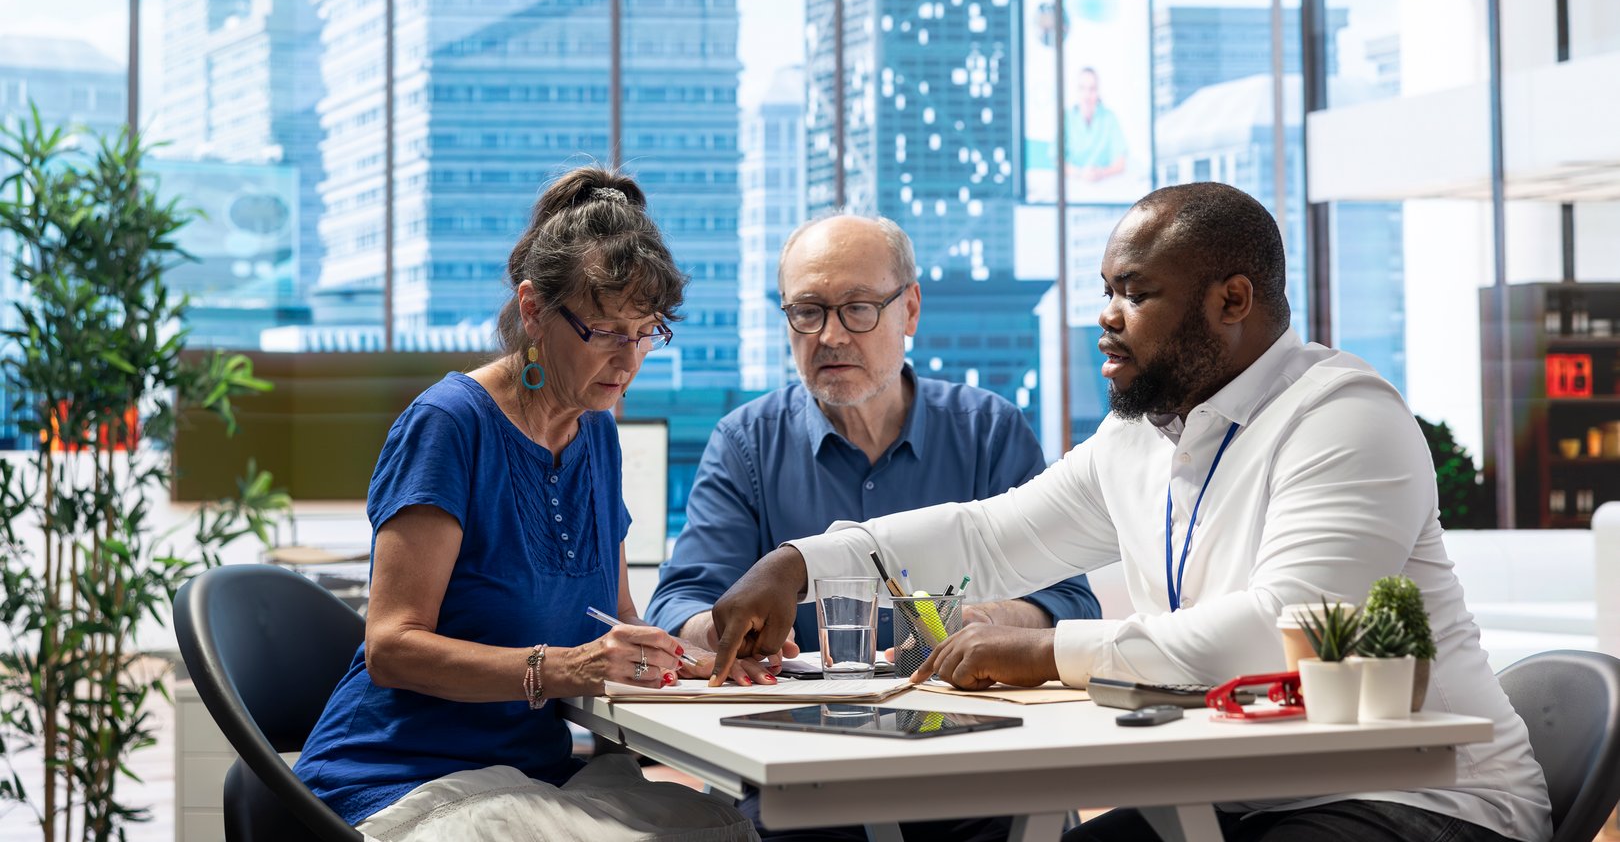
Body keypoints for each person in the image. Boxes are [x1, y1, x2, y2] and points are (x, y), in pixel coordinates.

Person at [707, 183, 1552, 842]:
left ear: (1231, 300)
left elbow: (1277, 630)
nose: (1104, 320)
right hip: (1244, 791)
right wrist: (800, 565)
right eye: (1106, 291)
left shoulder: (1344, 416)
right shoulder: (1143, 435)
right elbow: (987, 537)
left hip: (1422, 797)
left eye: (1134, 293)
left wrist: (1045, 651)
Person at [293, 167, 758, 842]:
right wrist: (563, 668)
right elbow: (392, 647)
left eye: (645, 331)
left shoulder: (595, 430)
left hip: (530, 770)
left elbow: (618, 618)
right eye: (602, 330)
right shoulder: (450, 425)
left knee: (722, 830)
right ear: (534, 309)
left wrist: (700, 653)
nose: (627, 360)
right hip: (399, 774)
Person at [646, 213, 1099, 842]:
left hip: (977, 773)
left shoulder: (988, 431)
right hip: (797, 781)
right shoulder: (746, 444)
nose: (829, 336)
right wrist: (724, 633)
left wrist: (994, 623)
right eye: (806, 311)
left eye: (857, 308)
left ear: (909, 310)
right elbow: (676, 604)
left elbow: (1070, 601)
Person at [1064, 66, 1127, 184]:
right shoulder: (1066, 118)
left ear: (1098, 91)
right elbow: (1058, 161)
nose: (1087, 94)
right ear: (1077, 90)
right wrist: (1080, 173)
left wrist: (1102, 173)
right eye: (1082, 88)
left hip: (1105, 185)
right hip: (1073, 185)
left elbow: (1121, 163)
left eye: (1092, 89)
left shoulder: (1109, 118)